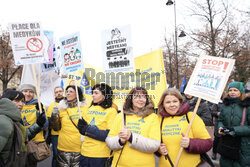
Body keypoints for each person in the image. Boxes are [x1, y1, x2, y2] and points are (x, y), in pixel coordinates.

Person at [105, 87, 161, 167]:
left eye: (143, 97)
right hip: (120, 164)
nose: (141, 99)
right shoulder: (120, 116)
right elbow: (109, 141)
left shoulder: (153, 117)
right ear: (131, 99)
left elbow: (154, 145)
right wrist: (120, 141)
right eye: (137, 96)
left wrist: (131, 137)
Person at [157, 88, 212, 167]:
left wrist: (190, 143)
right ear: (163, 104)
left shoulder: (191, 117)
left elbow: (208, 143)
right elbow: (153, 143)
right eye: (168, 102)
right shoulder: (158, 119)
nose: (172, 105)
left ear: (180, 102)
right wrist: (158, 150)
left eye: (175, 101)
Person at [1, 89, 46, 167]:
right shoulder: (4, 120)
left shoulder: (15, 118)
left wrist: (38, 125)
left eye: (22, 101)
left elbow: (22, 137)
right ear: (7, 101)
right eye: (17, 101)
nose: (21, 104)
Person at [77, 83, 117, 167]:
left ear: (105, 95)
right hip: (84, 153)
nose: (92, 95)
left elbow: (107, 135)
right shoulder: (89, 108)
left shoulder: (111, 111)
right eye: (92, 93)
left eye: (96, 93)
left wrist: (87, 129)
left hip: (100, 155)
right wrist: (83, 128)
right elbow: (82, 130)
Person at [51, 85, 88, 167]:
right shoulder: (61, 108)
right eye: (67, 92)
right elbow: (56, 128)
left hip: (79, 148)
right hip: (63, 148)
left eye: (71, 91)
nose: (68, 93)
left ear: (77, 94)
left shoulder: (85, 108)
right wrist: (54, 116)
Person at [217, 81, 250, 167]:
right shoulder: (225, 105)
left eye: (235, 90)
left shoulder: (247, 106)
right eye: (230, 90)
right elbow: (220, 120)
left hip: (243, 146)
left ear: (240, 92)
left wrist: (234, 130)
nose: (232, 92)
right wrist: (220, 127)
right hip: (226, 144)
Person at [19, 84, 48, 167]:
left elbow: (45, 126)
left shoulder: (38, 105)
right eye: (25, 91)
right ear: (21, 92)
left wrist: (41, 117)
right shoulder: (17, 105)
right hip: (19, 143)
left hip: (33, 144)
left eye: (31, 92)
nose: (28, 94)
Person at [46, 86, 64, 167]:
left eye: (60, 91)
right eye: (56, 92)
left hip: (66, 134)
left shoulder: (68, 103)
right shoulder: (52, 105)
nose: (59, 93)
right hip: (55, 134)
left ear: (63, 92)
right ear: (54, 94)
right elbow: (49, 122)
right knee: (56, 155)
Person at [210, 91, 227, 160]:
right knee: (217, 138)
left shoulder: (227, 103)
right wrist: (217, 113)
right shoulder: (216, 103)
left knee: (224, 139)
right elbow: (212, 112)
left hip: (226, 123)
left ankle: (222, 153)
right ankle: (214, 152)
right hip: (218, 123)